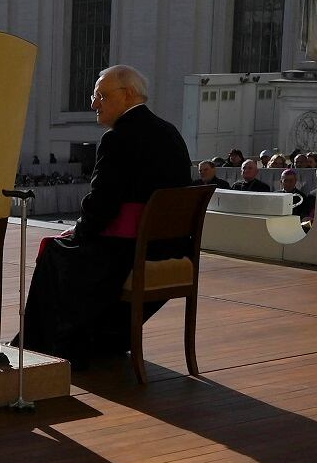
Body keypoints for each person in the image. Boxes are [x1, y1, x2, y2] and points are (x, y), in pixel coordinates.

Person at [16, 66, 191, 364]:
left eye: (101, 95)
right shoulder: (170, 132)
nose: (94, 104)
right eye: (94, 96)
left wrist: (78, 232)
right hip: (171, 247)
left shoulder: (118, 138)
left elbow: (102, 205)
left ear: (129, 95)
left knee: (54, 256)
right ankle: (102, 342)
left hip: (127, 251)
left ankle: (44, 347)